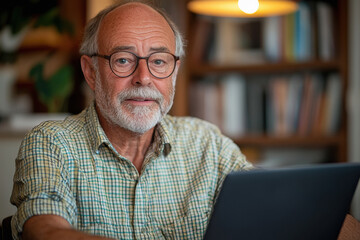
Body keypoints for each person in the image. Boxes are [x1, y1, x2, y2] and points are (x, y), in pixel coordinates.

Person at [10, 1, 253, 239]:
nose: (144, 78)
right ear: (91, 72)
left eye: (158, 61)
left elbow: (265, 210)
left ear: (175, 72)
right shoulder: (51, 143)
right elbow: (44, 231)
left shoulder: (208, 144)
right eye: (123, 60)